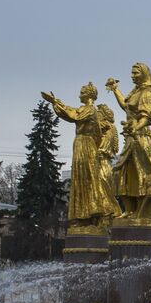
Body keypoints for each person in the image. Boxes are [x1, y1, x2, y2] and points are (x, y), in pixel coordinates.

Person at [41, 83, 120, 231]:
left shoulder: (89, 109)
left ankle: (93, 213)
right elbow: (71, 113)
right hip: (83, 144)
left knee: (87, 179)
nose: (79, 94)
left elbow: (74, 115)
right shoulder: (88, 109)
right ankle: (83, 216)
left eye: (82, 91)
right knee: (81, 179)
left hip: (85, 145)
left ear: (89, 94)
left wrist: (55, 101)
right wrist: (55, 102)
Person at [105, 64, 151, 222]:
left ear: (144, 74)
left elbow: (146, 116)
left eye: (136, 73)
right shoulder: (136, 91)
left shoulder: (148, 93)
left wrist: (136, 127)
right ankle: (129, 210)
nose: (132, 75)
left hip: (141, 137)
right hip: (131, 137)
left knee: (141, 174)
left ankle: (142, 212)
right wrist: (115, 89)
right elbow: (126, 106)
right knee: (123, 173)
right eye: (132, 73)